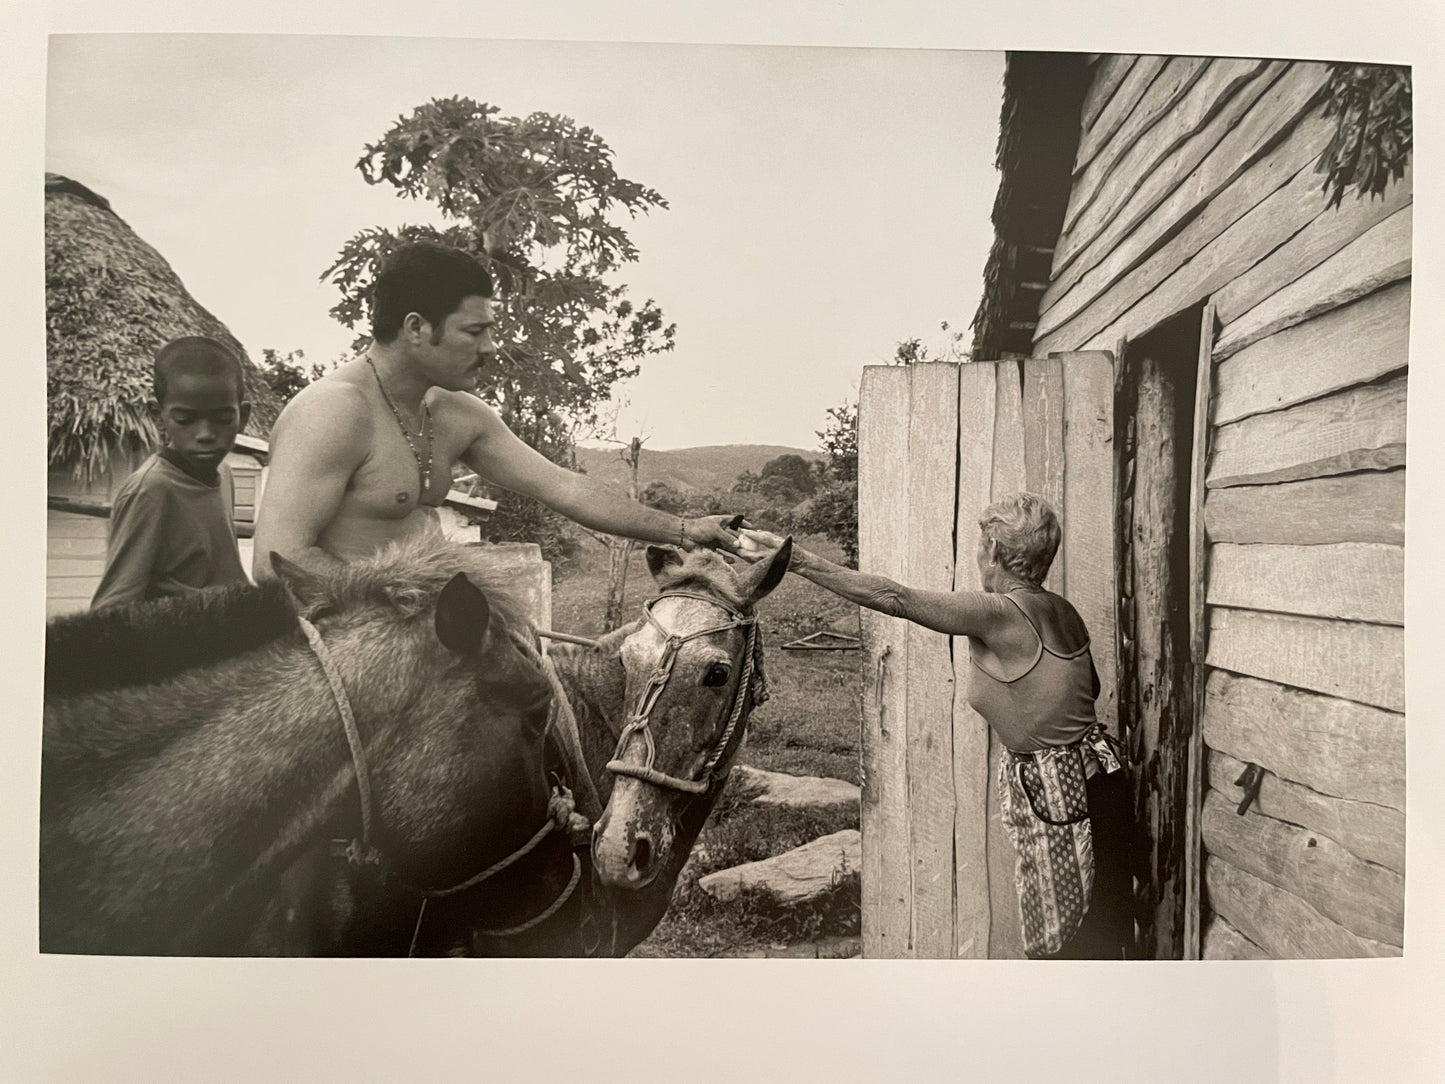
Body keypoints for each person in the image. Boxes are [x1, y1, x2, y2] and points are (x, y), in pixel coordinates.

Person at [740, 493, 1133, 959]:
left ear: (992, 549)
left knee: (1064, 949)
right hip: (1101, 779)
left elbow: (894, 598)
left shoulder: (1001, 612)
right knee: (1106, 932)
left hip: (1060, 791)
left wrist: (797, 560)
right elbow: (1089, 687)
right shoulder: (1064, 612)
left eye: (980, 545)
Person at [252, 241, 743, 578]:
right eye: (474, 331)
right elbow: (277, 561)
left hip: (418, 636)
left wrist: (685, 530)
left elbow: (565, 486)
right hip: (337, 650)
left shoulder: (456, 412)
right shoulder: (332, 411)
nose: (491, 347)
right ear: (417, 327)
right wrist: (399, 602)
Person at [91, 336, 252, 611]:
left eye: (223, 418)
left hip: (233, 639)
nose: (205, 434)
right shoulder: (151, 490)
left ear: (243, 416)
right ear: (158, 416)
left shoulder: (223, 474)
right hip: (187, 647)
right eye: (185, 419)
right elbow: (112, 609)